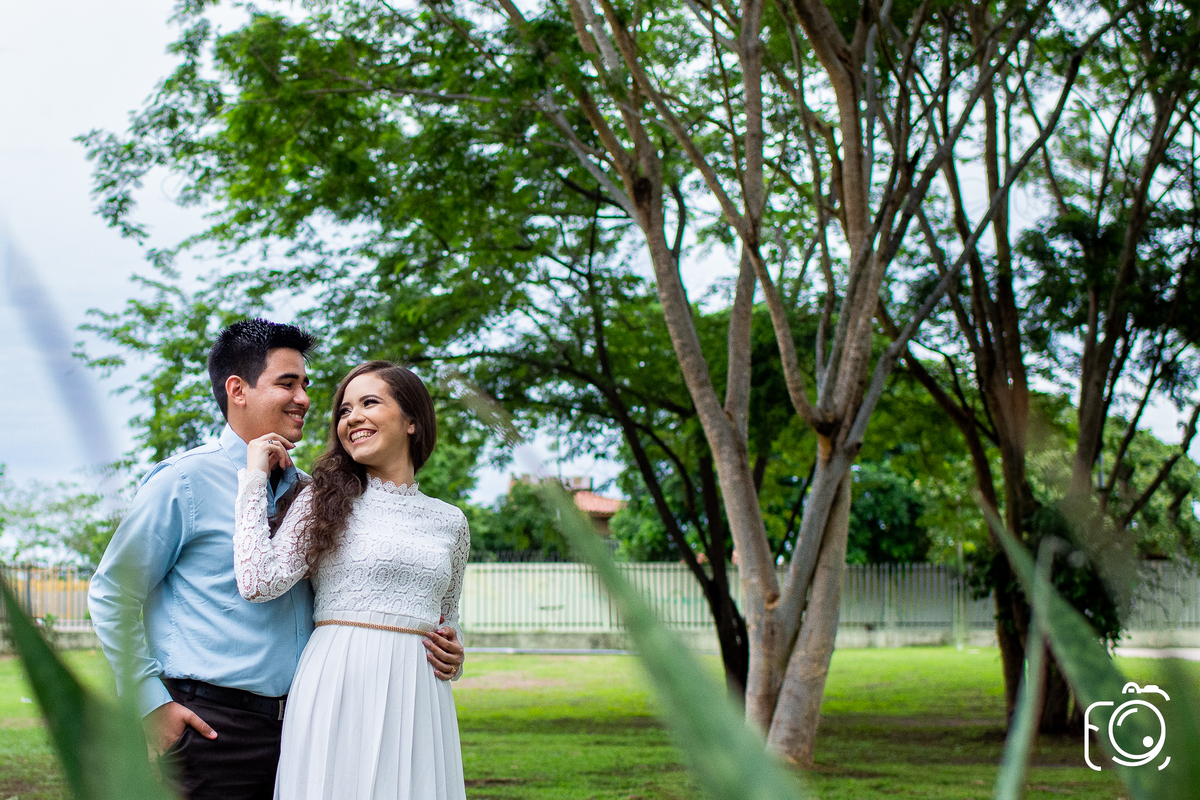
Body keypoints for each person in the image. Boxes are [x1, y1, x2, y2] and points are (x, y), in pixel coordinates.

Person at [88, 318, 319, 800]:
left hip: (304, 733)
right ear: (238, 389)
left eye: (305, 384)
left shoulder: (309, 494)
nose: (304, 398)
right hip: (211, 732)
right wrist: (152, 704)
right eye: (287, 383)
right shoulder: (183, 482)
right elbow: (112, 593)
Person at [232, 360, 469, 800]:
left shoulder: (451, 522)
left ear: (412, 421)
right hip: (339, 684)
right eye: (344, 410)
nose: (352, 417)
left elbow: (449, 618)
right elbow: (257, 581)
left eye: (369, 403)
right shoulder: (321, 500)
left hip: (420, 697)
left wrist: (457, 654)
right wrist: (254, 478)